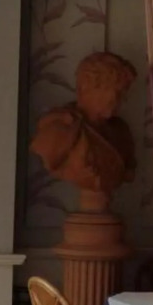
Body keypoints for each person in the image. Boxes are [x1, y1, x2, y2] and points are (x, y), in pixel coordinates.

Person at [30, 52, 137, 203]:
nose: (123, 100)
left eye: (124, 93)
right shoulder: (60, 128)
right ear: (89, 87)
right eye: (118, 92)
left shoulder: (121, 131)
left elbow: (129, 170)